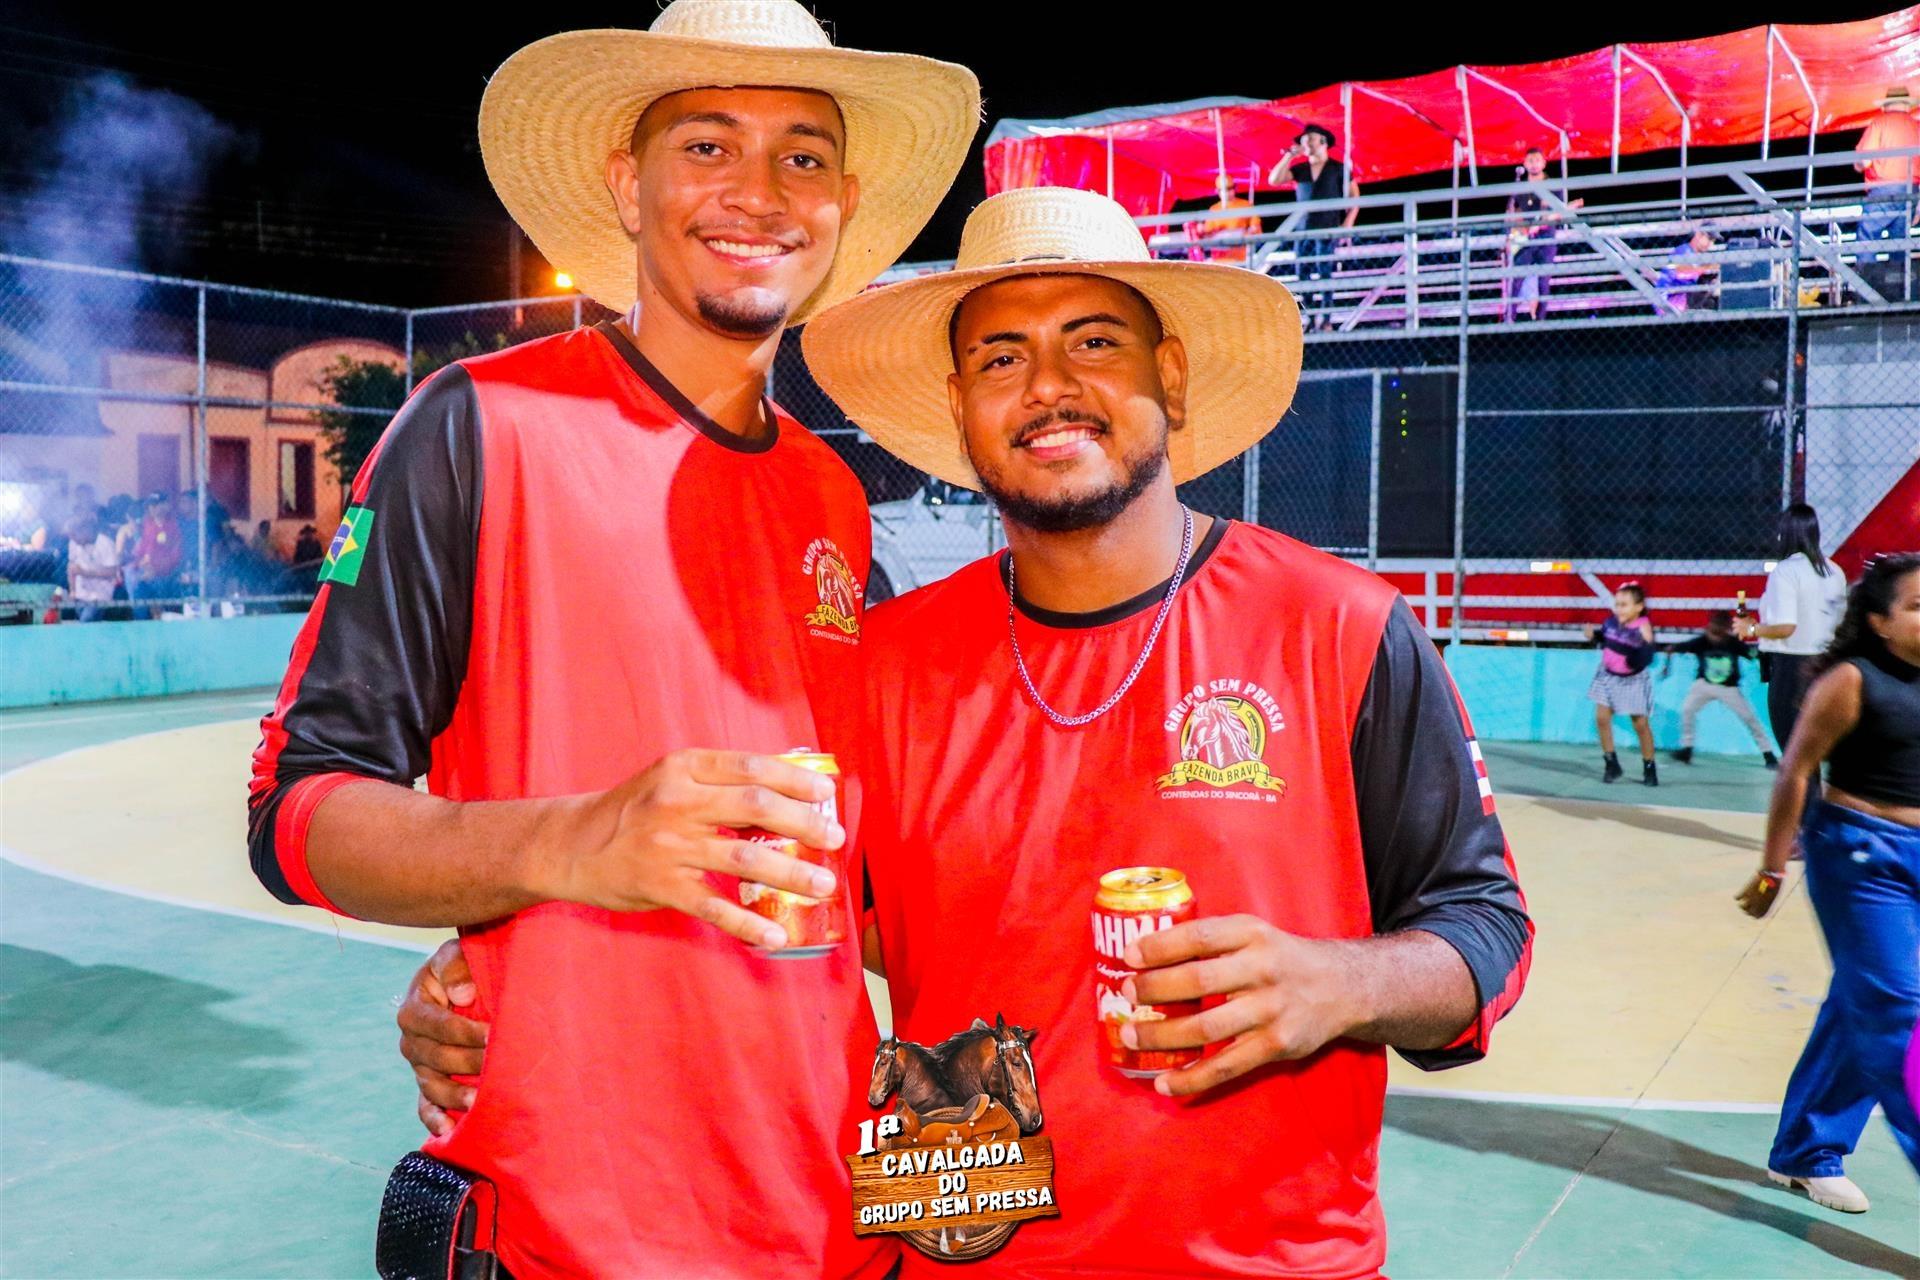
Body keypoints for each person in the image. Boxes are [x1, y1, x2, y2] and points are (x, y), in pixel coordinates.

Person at [399, 187, 1532, 1278]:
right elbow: (776, 911)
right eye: (1000, 358)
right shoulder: (885, 661)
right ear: (960, 405)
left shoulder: (1338, 626)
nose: (1048, 386)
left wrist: (1337, 981)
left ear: (1172, 378)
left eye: (1095, 343)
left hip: (1261, 1263)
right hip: (954, 1245)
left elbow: (1484, 926)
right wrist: (502, 978)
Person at [242, 3, 979, 1276]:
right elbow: (296, 810)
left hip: (833, 1219)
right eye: (708, 146)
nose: (759, 192)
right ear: (627, 187)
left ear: (843, 205)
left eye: (802, 156)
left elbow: (847, 884)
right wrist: (565, 848)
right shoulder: (479, 423)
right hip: (575, 1230)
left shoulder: (832, 498)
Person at [1739, 553, 1920, 1210]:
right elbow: (1796, 770)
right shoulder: (1851, 679)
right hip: (1863, 857)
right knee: (1899, 1014)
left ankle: (1806, 1150)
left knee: (1860, 1001)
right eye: (1917, 606)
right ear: (1879, 621)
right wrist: (1771, 868)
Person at [1743, 505, 1850, 795]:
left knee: (1794, 755)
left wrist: (1752, 629)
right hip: (1826, 664)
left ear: (1785, 533)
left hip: (1792, 667)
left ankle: (1805, 818)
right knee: (1813, 751)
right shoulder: (1834, 570)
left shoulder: (1786, 571)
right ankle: (1818, 814)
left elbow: (1785, 627)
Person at [1267, 125, 1358, 332]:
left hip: (1328, 227)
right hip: (1303, 230)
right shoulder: (1301, 169)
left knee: (1325, 272)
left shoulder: (1338, 168)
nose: (1306, 143)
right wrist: (1289, 156)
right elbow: (1274, 180)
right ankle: (1309, 318)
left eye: (1311, 139)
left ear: (1323, 141)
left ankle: (1326, 319)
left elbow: (1354, 196)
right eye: (1304, 140)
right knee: (1303, 274)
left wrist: (1348, 223)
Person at [1668, 609, 1776, 768]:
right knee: (1687, 710)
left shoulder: (1733, 643)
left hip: (1728, 688)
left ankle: (1768, 754)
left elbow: (1753, 654)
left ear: (1726, 628)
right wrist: (1671, 650)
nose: (1715, 634)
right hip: (1704, 684)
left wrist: (1764, 658)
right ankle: (1687, 749)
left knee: (1749, 718)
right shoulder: (1702, 641)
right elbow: (1681, 647)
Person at [1584, 582, 1658, 785]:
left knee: (1640, 724)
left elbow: (1648, 654)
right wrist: (1593, 636)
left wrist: (1642, 653)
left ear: (1639, 607)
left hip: (1632, 682)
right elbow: (1606, 638)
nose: (1619, 609)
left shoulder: (1643, 627)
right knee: (1601, 718)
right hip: (1607, 677)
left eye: (1624, 605)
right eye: (1617, 604)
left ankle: (1649, 767)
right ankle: (1611, 763)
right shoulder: (1610, 622)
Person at [1854, 86, 1918, 300]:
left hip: (1883, 188)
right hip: (1911, 190)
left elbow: (1864, 161)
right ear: (1907, 105)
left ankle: (1867, 288)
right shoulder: (1916, 127)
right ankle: (1899, 291)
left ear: (1886, 105)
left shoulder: (1879, 124)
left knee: (1867, 235)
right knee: (1900, 241)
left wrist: (1857, 165)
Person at [1505, 147, 1582, 321]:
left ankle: (1540, 320)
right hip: (1525, 239)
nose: (1534, 164)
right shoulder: (1520, 188)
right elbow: (1513, 212)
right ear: (1525, 164)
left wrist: (1540, 224)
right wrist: (1518, 229)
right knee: (1516, 278)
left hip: (1546, 238)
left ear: (1544, 163)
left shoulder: (1553, 186)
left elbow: (1559, 212)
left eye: (1537, 160)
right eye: (1530, 161)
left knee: (1543, 281)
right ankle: (1509, 319)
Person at [131, 492, 184, 614]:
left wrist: (155, 568)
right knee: (137, 586)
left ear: (167, 505)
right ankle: (142, 623)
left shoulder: (174, 526)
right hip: (145, 570)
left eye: (156, 504)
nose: (153, 508)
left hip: (165, 573)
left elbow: (176, 555)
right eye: (151, 505)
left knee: (159, 587)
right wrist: (140, 565)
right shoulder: (147, 524)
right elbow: (140, 550)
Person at [1193, 173, 1262, 266]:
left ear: (1235, 188)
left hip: (1241, 256)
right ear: (1218, 191)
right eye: (1223, 190)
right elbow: (1208, 234)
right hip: (1219, 257)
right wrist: (1201, 230)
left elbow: (1256, 230)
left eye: (1229, 189)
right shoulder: (1214, 209)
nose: (1226, 193)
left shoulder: (1246, 205)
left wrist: (1244, 234)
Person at [63, 509, 119, 622]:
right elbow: (71, 566)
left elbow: (113, 572)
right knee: (84, 621)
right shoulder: (74, 543)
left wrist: (86, 573)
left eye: (75, 535)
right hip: (80, 593)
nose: (73, 539)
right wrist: (72, 590)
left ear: (85, 530)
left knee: (87, 620)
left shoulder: (105, 543)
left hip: (99, 594)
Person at [1654, 224, 1719, 312]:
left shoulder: (1696, 256)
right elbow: (1679, 272)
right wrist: (1706, 268)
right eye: (1709, 239)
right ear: (1699, 234)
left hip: (1684, 298)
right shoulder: (1682, 251)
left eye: (1713, 241)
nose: (1710, 244)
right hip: (1669, 300)